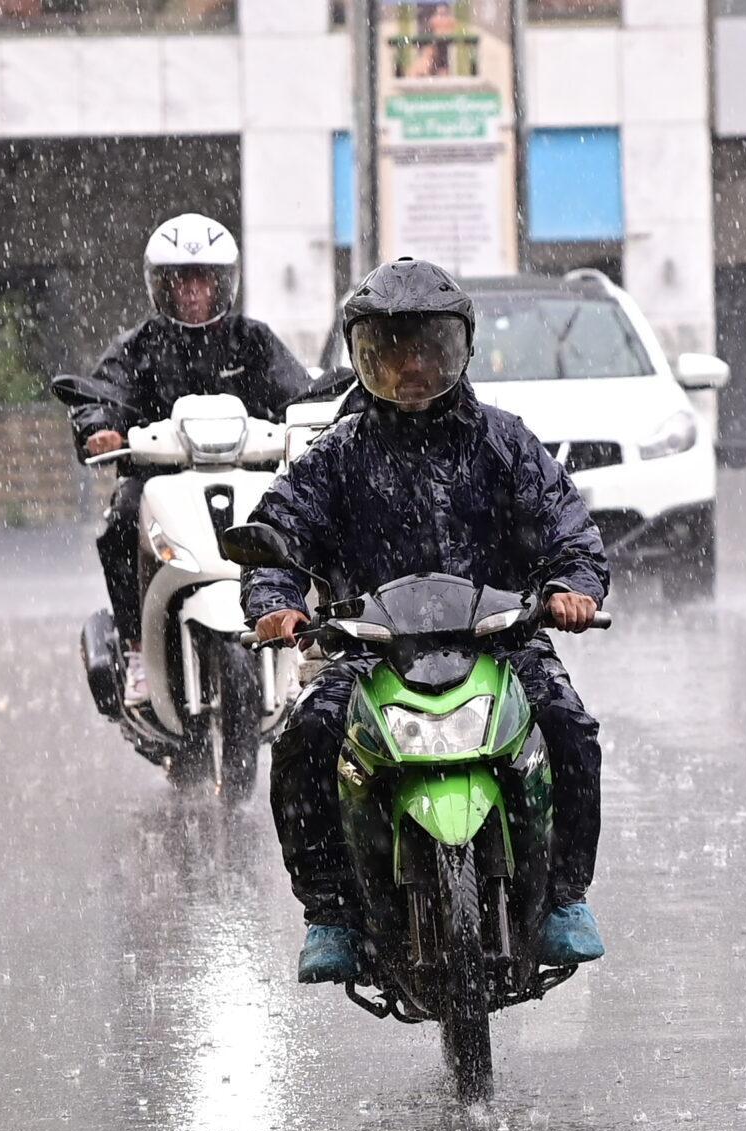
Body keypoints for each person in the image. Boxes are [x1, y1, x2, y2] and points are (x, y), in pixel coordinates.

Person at [241, 257, 609, 983]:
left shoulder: (504, 442)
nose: (411, 367)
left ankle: (565, 898)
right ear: (361, 357)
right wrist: (276, 602)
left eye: (427, 348)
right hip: (368, 653)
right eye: (390, 351)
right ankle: (331, 912)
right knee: (305, 738)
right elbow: (275, 534)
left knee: (570, 727)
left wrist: (572, 585)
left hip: (501, 645)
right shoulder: (335, 455)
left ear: (460, 349)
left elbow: (568, 526)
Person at [70, 212, 311, 703]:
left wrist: (317, 414)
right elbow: (102, 393)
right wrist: (98, 428)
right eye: (182, 280)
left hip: (248, 475)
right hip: (158, 482)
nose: (193, 292)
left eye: (204, 279)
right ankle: (136, 648)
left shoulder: (253, 341)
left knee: (304, 516)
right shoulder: (138, 347)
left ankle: (304, 640)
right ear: (161, 286)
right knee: (121, 521)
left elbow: (299, 392)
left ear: (224, 283)